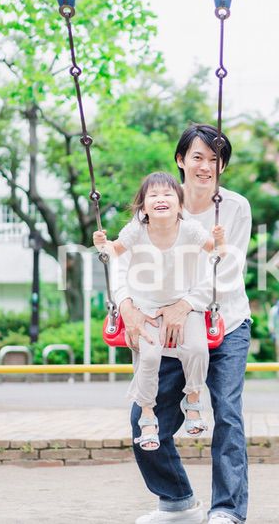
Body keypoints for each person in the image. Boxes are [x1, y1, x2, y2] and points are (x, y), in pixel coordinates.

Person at [116, 124, 252, 524]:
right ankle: (176, 502)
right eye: (197, 157)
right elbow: (123, 263)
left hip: (225, 322)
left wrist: (186, 304)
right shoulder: (157, 206)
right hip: (165, 325)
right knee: (145, 419)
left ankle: (226, 510)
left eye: (215, 159)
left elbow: (227, 267)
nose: (206, 166)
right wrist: (126, 306)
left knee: (227, 414)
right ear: (180, 160)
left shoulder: (235, 208)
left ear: (222, 166)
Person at [94, 172, 225, 450]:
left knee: (197, 349)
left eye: (167, 194)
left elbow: (216, 252)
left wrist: (220, 241)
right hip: (146, 308)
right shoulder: (135, 230)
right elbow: (113, 252)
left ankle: (193, 400)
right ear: (143, 207)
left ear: (180, 204)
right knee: (150, 357)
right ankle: (147, 414)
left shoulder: (190, 229)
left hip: (183, 304)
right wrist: (102, 246)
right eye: (153, 195)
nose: (160, 199)